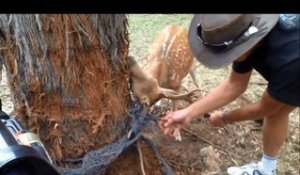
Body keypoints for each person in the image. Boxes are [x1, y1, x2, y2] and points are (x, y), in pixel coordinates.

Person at [159, 14, 300, 175]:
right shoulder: (243, 26)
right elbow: (235, 84)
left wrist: (225, 118)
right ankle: (268, 169)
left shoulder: (291, 60)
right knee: (280, 111)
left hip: (295, 68)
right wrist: (188, 113)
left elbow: (266, 108)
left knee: (278, 111)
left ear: (246, 43)